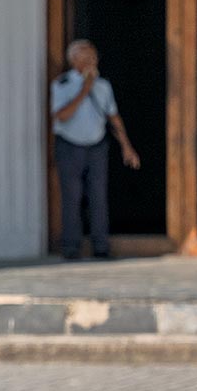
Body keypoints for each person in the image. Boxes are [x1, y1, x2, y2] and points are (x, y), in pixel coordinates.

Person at [49, 38, 141, 259]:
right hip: (70, 146)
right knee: (72, 197)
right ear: (74, 60)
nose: (92, 60)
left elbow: (113, 117)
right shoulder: (61, 84)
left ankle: (101, 246)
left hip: (96, 146)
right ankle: (71, 247)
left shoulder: (104, 86)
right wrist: (84, 90)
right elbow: (61, 116)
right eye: (87, 57)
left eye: (94, 56)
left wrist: (127, 147)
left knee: (98, 196)